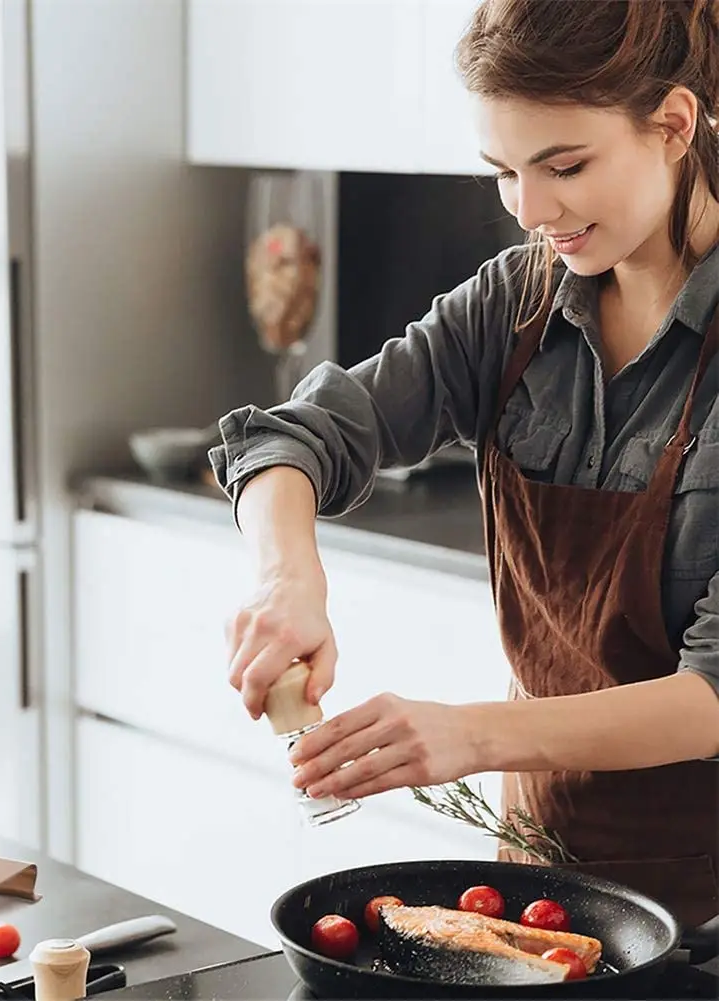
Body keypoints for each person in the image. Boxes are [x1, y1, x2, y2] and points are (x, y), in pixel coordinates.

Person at [209, 0, 719, 927]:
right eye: (504, 172)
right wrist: (287, 580)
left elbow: (711, 696)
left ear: (673, 125)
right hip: (543, 876)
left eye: (564, 166)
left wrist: (469, 734)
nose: (530, 210)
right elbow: (293, 435)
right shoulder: (515, 303)